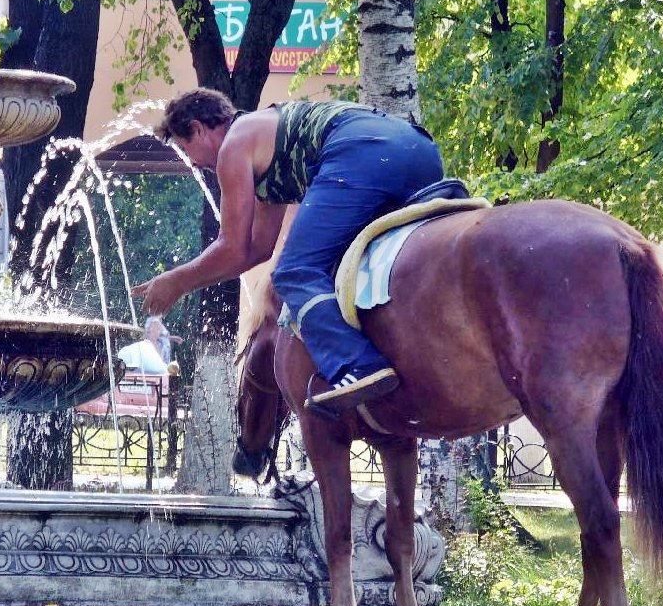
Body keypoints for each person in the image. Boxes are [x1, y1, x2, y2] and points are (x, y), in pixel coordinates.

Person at [133, 89, 444, 412]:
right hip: (420, 151)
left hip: (361, 154)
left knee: (296, 271)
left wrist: (177, 281)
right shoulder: (265, 148)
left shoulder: (234, 145)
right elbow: (254, 251)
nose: (194, 163)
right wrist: (185, 282)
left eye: (186, 149)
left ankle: (357, 364)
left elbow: (232, 245)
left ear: (198, 128)